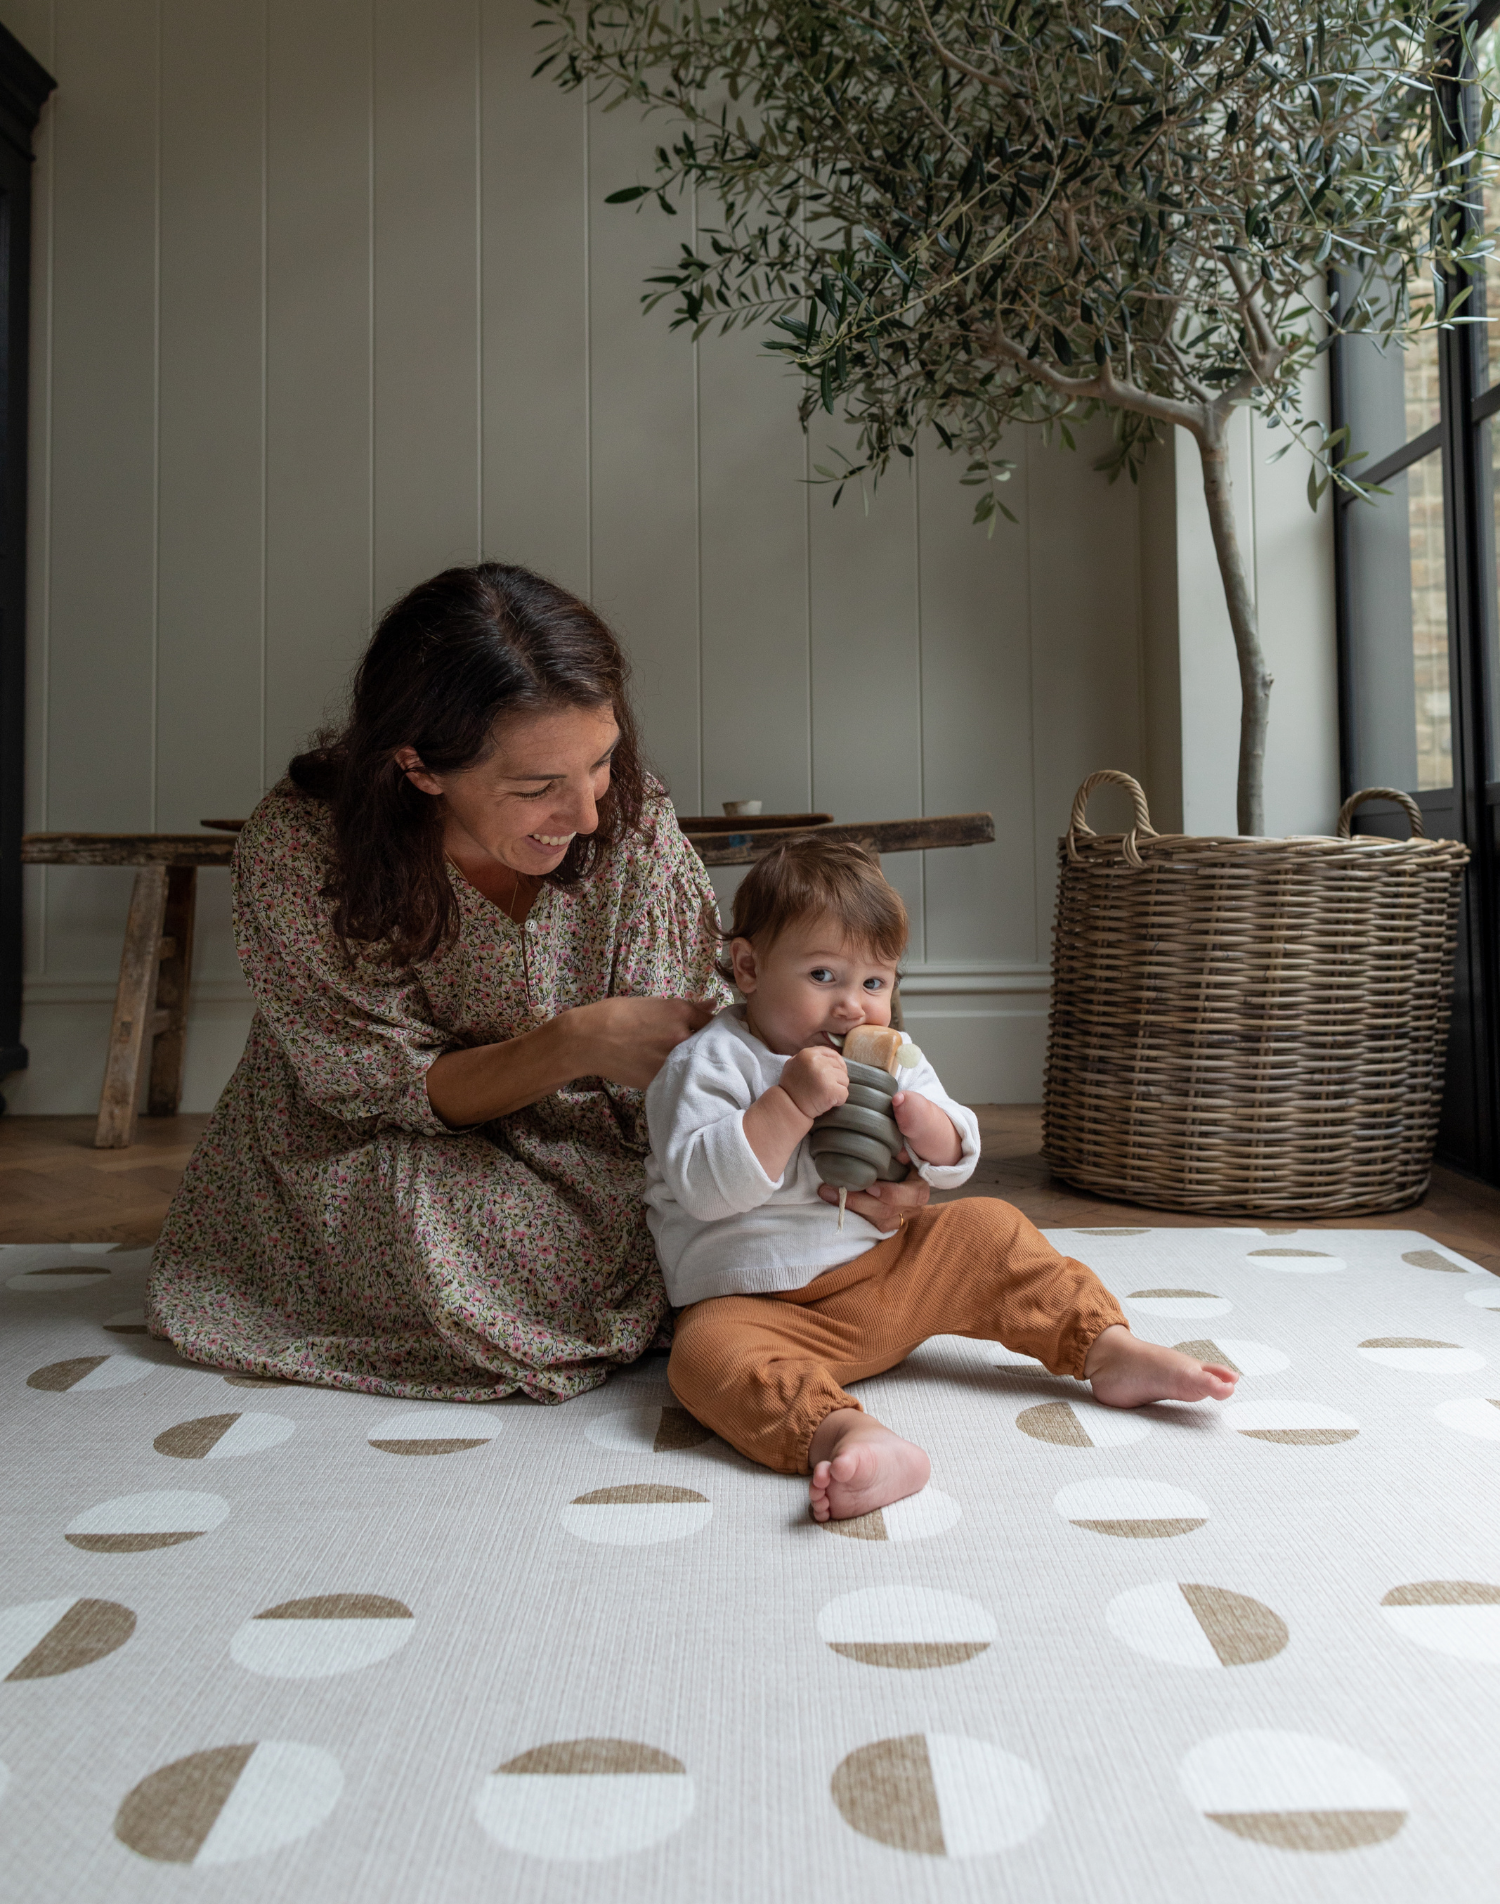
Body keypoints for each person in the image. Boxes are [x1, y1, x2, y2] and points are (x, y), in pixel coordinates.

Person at [146, 561, 800, 1399]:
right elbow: (377, 1087)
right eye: (537, 788)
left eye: (599, 762)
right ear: (419, 767)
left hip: (588, 1131)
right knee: (481, 1252)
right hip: (387, 1137)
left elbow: (690, 1056)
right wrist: (574, 1042)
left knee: (730, 1207)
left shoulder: (627, 816)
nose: (589, 816)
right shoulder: (300, 852)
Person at [645, 836, 1240, 1522]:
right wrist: (787, 1103)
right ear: (748, 967)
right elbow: (702, 1187)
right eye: (822, 976)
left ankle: (1107, 1349)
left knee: (988, 1228)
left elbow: (957, 1148)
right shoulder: (711, 1064)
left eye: (874, 983)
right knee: (701, 1357)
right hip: (759, 1309)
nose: (852, 1007)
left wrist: (929, 1126)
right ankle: (842, 1432)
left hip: (887, 1275)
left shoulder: (891, 1056)